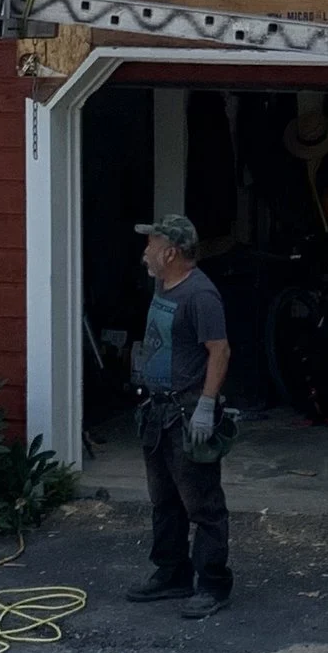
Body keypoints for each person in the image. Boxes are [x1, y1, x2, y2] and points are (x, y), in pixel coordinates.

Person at [127, 213, 234, 618]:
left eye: (151, 245)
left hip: (186, 413)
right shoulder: (164, 286)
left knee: (202, 503)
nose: (145, 252)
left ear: (170, 252)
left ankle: (213, 585)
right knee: (164, 500)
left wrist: (206, 407)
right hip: (158, 411)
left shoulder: (200, 296)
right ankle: (172, 574)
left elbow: (219, 351)